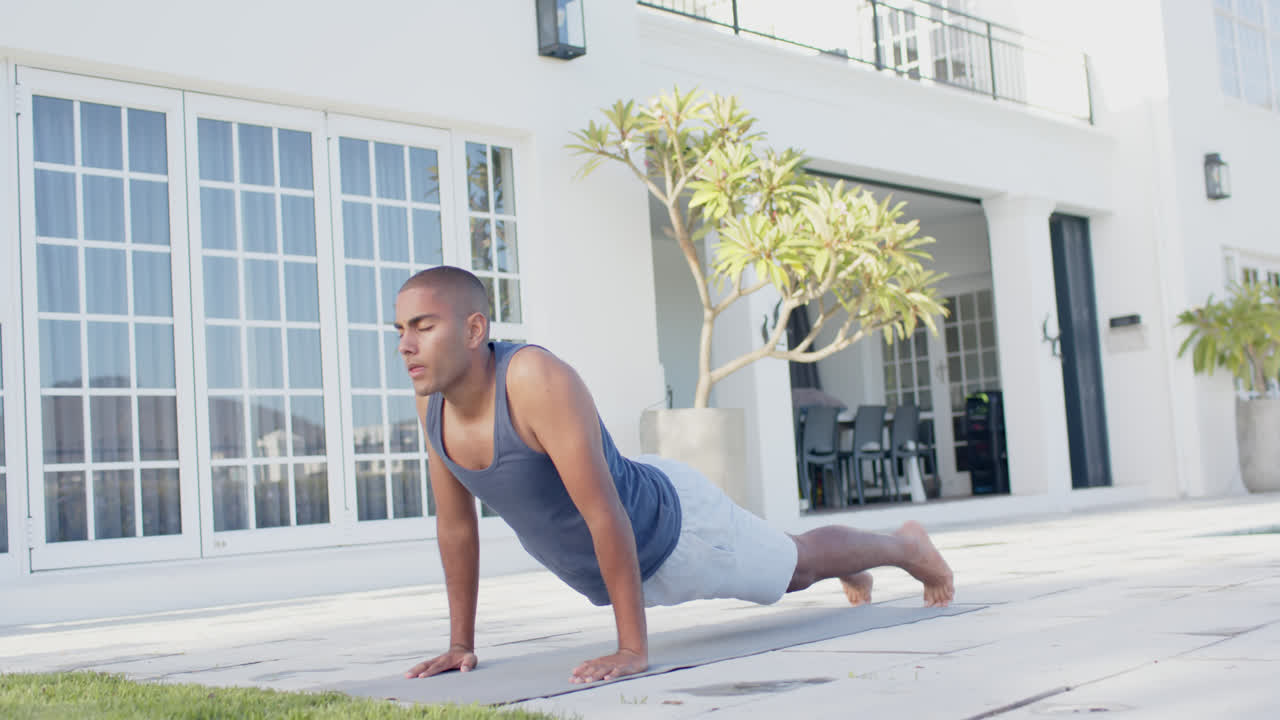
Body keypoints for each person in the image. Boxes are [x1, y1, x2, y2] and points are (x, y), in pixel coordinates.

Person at [396, 266, 954, 685]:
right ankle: (852, 564)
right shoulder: (433, 405)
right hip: (633, 540)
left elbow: (603, 509)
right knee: (795, 559)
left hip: (676, 530)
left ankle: (904, 545)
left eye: (423, 326)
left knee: (798, 567)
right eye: (400, 329)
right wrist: (459, 643)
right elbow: (457, 528)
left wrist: (632, 649)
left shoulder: (534, 379)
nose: (405, 344)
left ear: (474, 329)